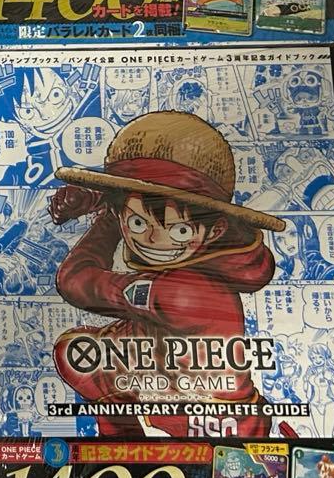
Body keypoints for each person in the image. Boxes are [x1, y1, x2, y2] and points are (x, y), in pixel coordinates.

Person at [50, 112, 284, 438]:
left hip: (216, 426)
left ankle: (125, 443)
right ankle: (122, 446)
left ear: (215, 229)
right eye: (137, 223)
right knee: (76, 352)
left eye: (179, 230)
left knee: (81, 354)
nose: (153, 239)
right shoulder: (193, 267)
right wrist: (112, 204)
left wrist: (109, 218)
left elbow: (76, 281)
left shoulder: (184, 291)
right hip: (172, 399)